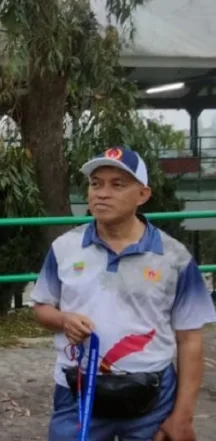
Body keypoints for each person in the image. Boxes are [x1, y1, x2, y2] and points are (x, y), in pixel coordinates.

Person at [30, 146, 216, 441]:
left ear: (143, 195)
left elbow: (190, 339)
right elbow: (41, 308)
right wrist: (63, 319)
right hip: (78, 391)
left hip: (151, 398)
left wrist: (183, 416)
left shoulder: (174, 257)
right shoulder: (64, 248)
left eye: (117, 185)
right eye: (96, 184)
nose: (102, 193)